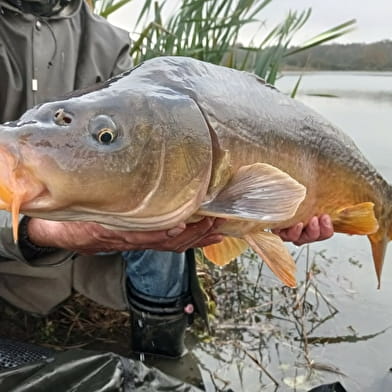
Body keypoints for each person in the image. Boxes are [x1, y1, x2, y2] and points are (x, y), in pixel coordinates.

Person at [0, 0, 334, 359]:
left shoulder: (109, 41)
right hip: (12, 275)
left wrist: (271, 213)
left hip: (105, 273)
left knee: (170, 196)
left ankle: (161, 351)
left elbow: (137, 131)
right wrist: (43, 229)